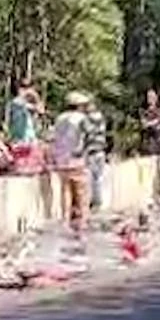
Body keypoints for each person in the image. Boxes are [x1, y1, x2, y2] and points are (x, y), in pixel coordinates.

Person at [51, 92, 93, 231]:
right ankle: (83, 221)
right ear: (79, 106)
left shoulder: (59, 118)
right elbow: (88, 137)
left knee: (66, 191)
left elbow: (54, 138)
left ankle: (66, 219)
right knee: (81, 191)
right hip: (77, 158)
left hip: (61, 160)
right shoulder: (81, 119)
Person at [84, 96, 111, 211]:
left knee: (91, 177)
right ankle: (98, 201)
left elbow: (85, 135)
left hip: (91, 151)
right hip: (101, 150)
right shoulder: (101, 119)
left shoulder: (86, 120)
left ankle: (94, 201)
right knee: (98, 177)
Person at [141, 89, 160, 155]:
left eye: (153, 97)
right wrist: (157, 120)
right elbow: (145, 124)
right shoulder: (144, 111)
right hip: (151, 133)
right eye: (150, 97)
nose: (152, 99)